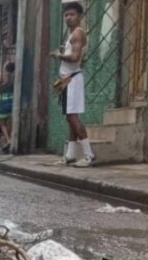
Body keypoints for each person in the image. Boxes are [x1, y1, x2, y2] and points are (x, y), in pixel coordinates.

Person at [51, 2, 95, 167]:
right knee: (70, 118)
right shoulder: (72, 34)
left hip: (72, 79)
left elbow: (75, 58)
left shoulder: (77, 34)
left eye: (72, 14)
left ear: (80, 16)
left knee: (73, 117)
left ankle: (89, 155)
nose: (68, 17)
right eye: (66, 15)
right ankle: (70, 155)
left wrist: (59, 55)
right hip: (68, 80)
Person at [0, 61, 15, 153]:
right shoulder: (13, 76)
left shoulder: (1, 75)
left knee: (2, 123)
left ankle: (8, 140)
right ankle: (7, 140)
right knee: (9, 122)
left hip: (3, 101)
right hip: (12, 101)